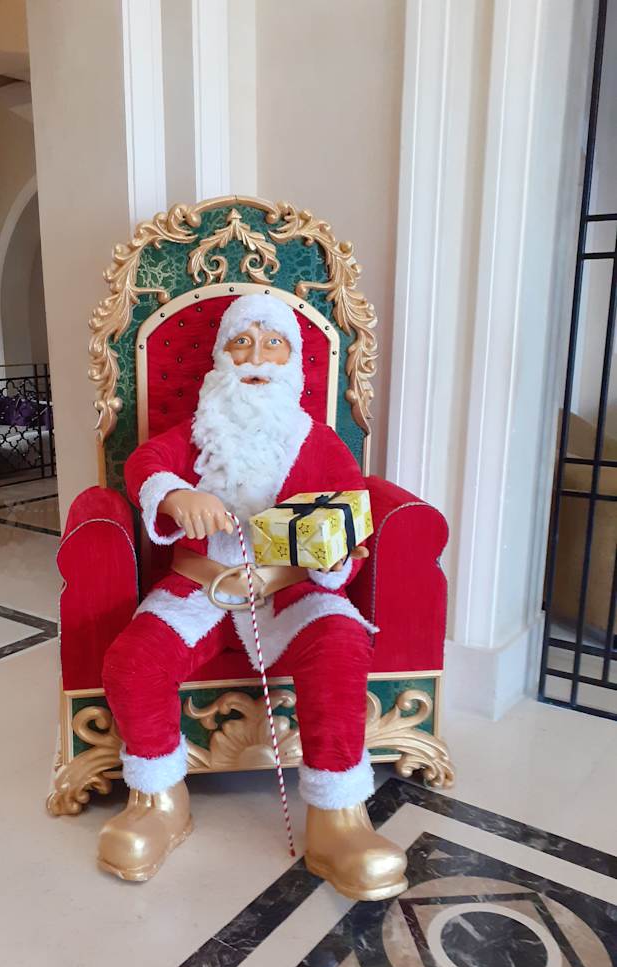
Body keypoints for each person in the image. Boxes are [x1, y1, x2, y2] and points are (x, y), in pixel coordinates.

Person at [99, 294, 407, 900]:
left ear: (292, 362)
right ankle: (159, 801)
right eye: (241, 343)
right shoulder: (195, 434)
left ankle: (338, 819)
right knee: (133, 659)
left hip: (289, 590)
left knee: (340, 643)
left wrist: (335, 553)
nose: (256, 357)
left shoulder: (319, 443)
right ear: (221, 357)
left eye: (273, 344)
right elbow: (144, 463)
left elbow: (350, 517)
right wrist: (173, 495)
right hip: (202, 587)